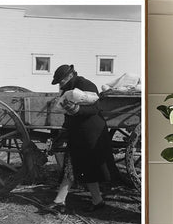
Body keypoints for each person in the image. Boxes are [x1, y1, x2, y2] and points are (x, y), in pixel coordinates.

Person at [47, 64, 121, 213]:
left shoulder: (85, 84)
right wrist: (64, 129)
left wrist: (77, 109)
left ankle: (62, 202)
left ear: (69, 76)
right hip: (78, 134)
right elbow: (67, 113)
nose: (60, 84)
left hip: (91, 133)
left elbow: (95, 108)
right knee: (74, 167)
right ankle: (86, 201)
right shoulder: (68, 89)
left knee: (84, 167)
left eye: (60, 81)